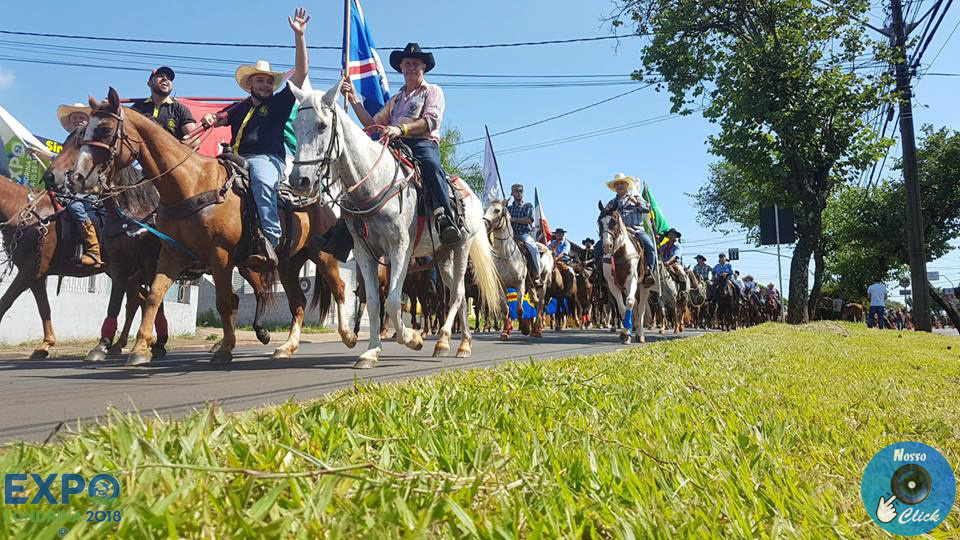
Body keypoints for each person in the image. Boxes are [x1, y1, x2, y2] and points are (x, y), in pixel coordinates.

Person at [200, 8, 310, 271]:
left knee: (261, 181)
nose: (265, 85)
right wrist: (208, 118)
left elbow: (302, 73)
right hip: (235, 159)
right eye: (260, 81)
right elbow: (219, 118)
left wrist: (300, 36)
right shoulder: (239, 107)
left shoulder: (280, 103)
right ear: (250, 84)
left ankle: (270, 240)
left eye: (268, 82)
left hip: (267, 159)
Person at [340, 42, 461, 245]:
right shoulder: (395, 100)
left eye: (416, 63)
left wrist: (401, 129)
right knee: (361, 169)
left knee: (431, 166)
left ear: (423, 68)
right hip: (394, 145)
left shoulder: (432, 91)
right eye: (408, 63)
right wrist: (353, 99)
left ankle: (444, 217)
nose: (412, 67)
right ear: (402, 69)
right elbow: (372, 124)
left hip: (422, 143)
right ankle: (342, 230)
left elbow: (431, 121)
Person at [55, 102, 102, 269]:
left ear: (88, 121)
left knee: (75, 206)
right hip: (68, 189)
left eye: (81, 117)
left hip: (89, 188)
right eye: (74, 118)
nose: (77, 120)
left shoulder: (92, 142)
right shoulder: (69, 142)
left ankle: (94, 249)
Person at [601, 173, 656, 286]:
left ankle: (649, 272)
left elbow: (647, 208)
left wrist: (636, 202)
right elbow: (605, 217)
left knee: (650, 246)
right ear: (615, 187)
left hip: (636, 231)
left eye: (622, 184)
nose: (620, 186)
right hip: (618, 233)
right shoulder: (611, 203)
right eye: (617, 184)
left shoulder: (636, 197)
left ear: (626, 185)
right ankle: (599, 275)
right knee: (598, 247)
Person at [130, 66, 198, 144]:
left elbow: (195, 140)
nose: (165, 79)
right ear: (149, 83)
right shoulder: (137, 108)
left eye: (169, 78)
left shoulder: (180, 109)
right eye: (160, 76)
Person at [506, 183, 542, 287]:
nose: (519, 193)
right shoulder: (508, 209)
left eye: (521, 191)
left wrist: (513, 219)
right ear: (512, 193)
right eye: (516, 191)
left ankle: (537, 275)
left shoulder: (528, 206)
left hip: (524, 234)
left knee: (534, 249)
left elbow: (529, 219)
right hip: (511, 235)